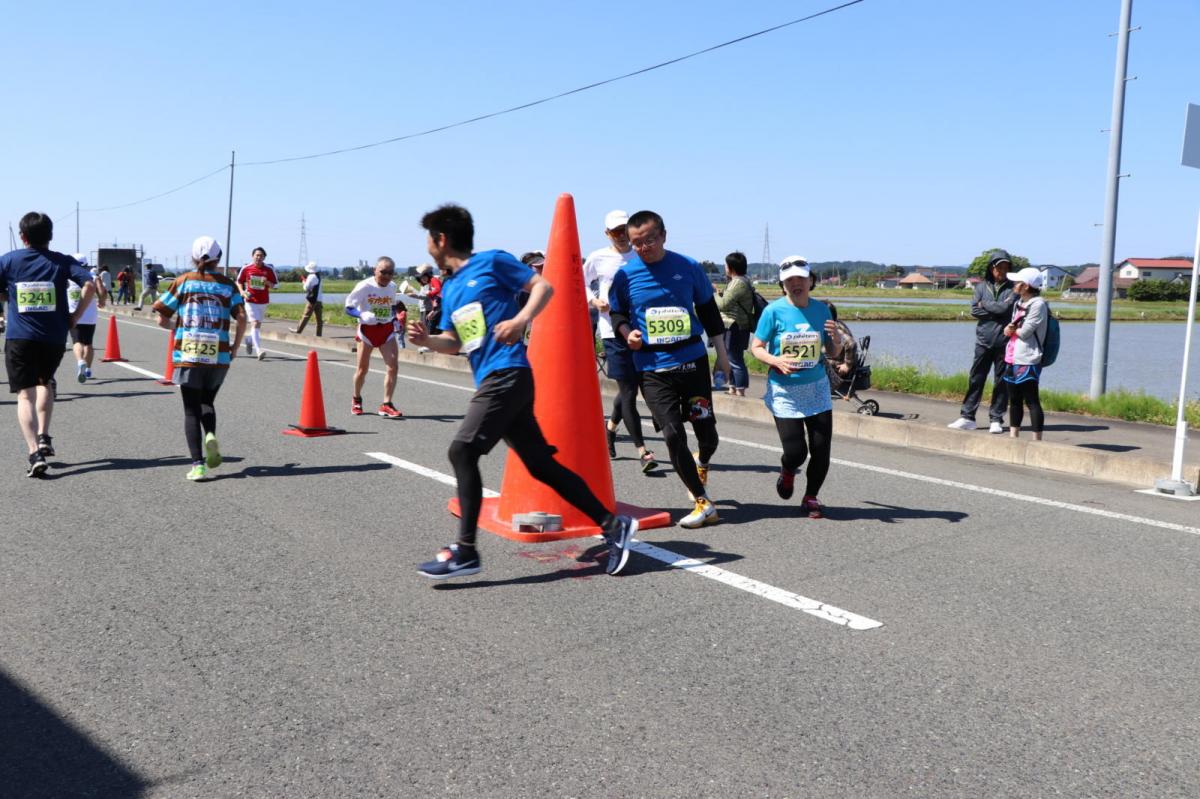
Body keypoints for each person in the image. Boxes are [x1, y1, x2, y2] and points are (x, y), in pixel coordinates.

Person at [410, 203, 636, 579]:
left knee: (462, 450)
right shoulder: (450, 288)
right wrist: (429, 340)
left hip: (508, 374)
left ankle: (466, 551)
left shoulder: (493, 262)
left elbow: (543, 286)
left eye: (428, 239)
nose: (427, 247)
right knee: (541, 466)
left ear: (441, 239)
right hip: (495, 379)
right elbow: (455, 341)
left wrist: (520, 320)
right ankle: (613, 525)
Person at [608, 210, 731, 528]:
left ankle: (702, 461)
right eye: (636, 243)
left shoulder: (687, 267)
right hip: (651, 366)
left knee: (706, 433)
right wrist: (626, 333)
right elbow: (618, 314)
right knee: (673, 434)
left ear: (663, 235)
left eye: (649, 239)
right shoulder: (625, 275)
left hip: (691, 363)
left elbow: (707, 312)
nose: (643, 247)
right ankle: (703, 502)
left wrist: (723, 356)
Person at [0, 212, 98, 476]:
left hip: (20, 337)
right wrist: (75, 317)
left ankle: (34, 452)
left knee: (25, 395)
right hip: (54, 337)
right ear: (50, 236)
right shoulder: (61, 261)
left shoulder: (8, 260)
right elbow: (89, 284)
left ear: (23, 236)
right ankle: (44, 436)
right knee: (46, 382)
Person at [749, 256, 843, 518]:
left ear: (811, 280)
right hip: (785, 391)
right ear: (783, 284)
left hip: (817, 388)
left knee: (821, 450)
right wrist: (775, 359)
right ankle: (788, 470)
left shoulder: (822, 310)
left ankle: (811, 497)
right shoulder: (773, 312)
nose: (796, 283)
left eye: (801, 278)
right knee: (796, 452)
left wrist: (836, 341)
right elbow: (755, 347)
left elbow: (832, 352)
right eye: (790, 279)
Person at [152, 236, 247, 481]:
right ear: (219, 258)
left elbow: (160, 315)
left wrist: (177, 326)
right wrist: (235, 347)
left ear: (194, 258)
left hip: (189, 352)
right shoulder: (228, 286)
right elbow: (243, 317)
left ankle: (198, 465)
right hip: (219, 354)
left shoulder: (183, 282)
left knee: (190, 410)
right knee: (207, 401)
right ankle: (211, 435)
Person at [583, 211, 658, 473]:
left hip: (640, 329)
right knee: (628, 391)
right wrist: (593, 300)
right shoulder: (597, 257)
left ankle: (610, 430)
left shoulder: (640, 254)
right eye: (616, 232)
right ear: (607, 234)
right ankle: (642, 450)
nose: (622, 236)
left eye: (624, 230)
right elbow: (579, 281)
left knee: (632, 386)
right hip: (611, 330)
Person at [949, 250, 1016, 434]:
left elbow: (1007, 309)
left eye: (1005, 267)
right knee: (976, 379)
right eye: (998, 267)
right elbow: (974, 311)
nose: (1001, 270)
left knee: (1001, 382)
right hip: (983, 340)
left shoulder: (1014, 288)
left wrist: (985, 305)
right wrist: (997, 311)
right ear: (991, 268)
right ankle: (967, 417)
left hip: (1004, 342)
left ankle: (996, 419)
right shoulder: (980, 287)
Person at [344, 257, 403, 418]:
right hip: (367, 331)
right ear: (374, 270)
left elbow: (391, 306)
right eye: (383, 272)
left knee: (393, 367)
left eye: (390, 273)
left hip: (386, 330)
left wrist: (396, 320)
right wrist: (361, 314)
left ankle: (386, 404)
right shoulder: (364, 286)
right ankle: (356, 398)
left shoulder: (392, 286)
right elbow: (348, 308)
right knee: (362, 370)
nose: (386, 276)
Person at [1001, 267, 1049, 440]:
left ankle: (1037, 441)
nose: (1014, 284)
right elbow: (1009, 330)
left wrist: (1012, 329)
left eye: (1017, 282)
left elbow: (1024, 332)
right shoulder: (1018, 303)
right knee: (1014, 400)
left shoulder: (1038, 304)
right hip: (1012, 357)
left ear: (1027, 286)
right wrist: (1012, 329)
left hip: (1028, 358)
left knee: (1031, 401)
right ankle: (1014, 437)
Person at [716, 251, 754, 397]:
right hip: (732, 325)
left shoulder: (738, 282)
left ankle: (740, 389)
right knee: (730, 358)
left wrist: (714, 294)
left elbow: (723, 305)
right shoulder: (738, 281)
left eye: (726, 265)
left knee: (735, 359)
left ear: (731, 267)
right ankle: (732, 387)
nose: (725, 267)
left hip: (735, 326)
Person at [67, 253, 107, 383]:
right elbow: (103, 291)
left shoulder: (68, 277)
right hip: (90, 315)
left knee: (77, 341)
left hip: (73, 313)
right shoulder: (93, 276)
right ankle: (88, 369)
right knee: (88, 343)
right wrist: (102, 301)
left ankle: (80, 361)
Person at [235, 246, 278, 360]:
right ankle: (259, 350)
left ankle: (249, 339)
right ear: (252, 256)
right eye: (256, 255)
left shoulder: (269, 269)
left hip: (263, 301)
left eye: (261, 256)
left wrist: (268, 282)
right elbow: (239, 281)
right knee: (255, 323)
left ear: (264, 258)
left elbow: (276, 285)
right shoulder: (246, 268)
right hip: (250, 300)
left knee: (257, 325)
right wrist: (242, 292)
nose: (258, 257)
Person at [823, 302, 859, 394]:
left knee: (816, 361)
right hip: (837, 358)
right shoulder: (837, 323)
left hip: (837, 366)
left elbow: (851, 343)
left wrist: (847, 365)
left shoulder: (835, 329)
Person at [291, 261, 324, 336]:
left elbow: (306, 288)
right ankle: (318, 335)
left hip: (312, 300)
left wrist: (303, 282)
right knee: (319, 320)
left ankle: (298, 330)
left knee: (305, 316)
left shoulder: (311, 276)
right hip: (319, 300)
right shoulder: (318, 276)